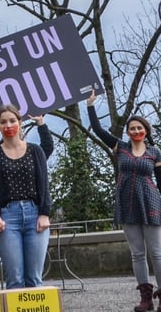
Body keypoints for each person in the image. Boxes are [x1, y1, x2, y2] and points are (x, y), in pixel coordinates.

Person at [86, 91, 161, 311]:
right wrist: (90, 106)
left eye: (140, 128)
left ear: (146, 131)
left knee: (157, 252)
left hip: (151, 203)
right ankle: (145, 298)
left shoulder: (155, 152)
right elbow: (99, 130)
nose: (136, 131)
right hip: (127, 203)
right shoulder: (121, 147)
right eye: (132, 128)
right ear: (127, 132)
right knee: (137, 253)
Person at [0, 105, 52, 289]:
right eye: (3, 122)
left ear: (20, 123)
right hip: (7, 217)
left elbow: (44, 184)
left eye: (12, 120)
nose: (8, 125)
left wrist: (45, 213)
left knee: (34, 279)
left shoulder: (35, 151)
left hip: (35, 214)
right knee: (15, 278)